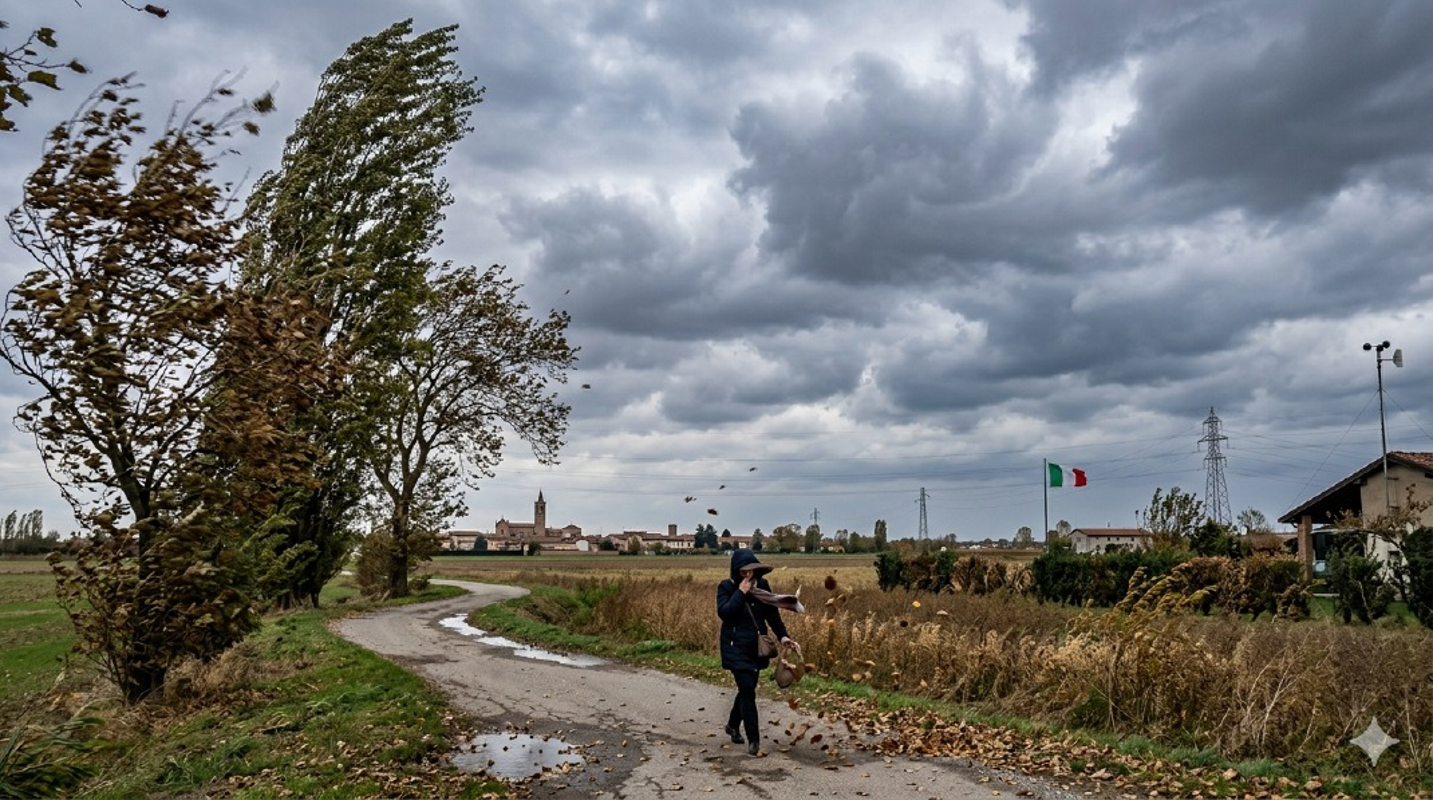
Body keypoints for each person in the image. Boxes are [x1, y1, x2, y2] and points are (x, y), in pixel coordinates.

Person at [716, 549, 799, 755]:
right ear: (737, 571)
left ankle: (733, 725)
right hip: (734, 647)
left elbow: (773, 616)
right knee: (747, 689)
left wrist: (783, 637)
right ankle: (754, 740)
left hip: (756, 648)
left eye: (752, 571)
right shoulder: (726, 587)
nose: (749, 576)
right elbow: (725, 613)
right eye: (744, 572)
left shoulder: (762, 587)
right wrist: (741, 592)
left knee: (748, 688)